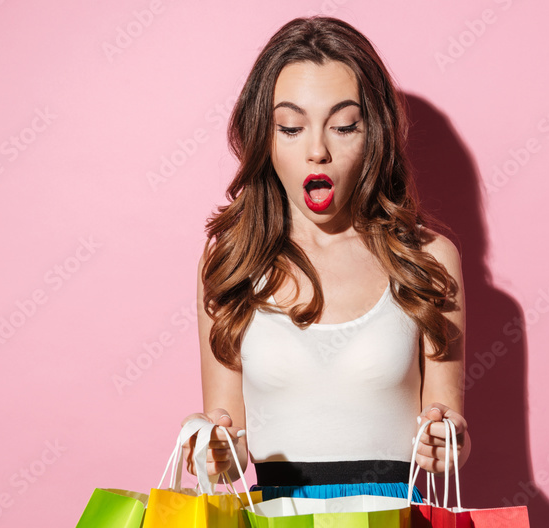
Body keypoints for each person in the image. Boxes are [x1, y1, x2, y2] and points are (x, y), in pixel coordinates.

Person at [181, 16, 471, 502]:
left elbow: (449, 429)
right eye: (291, 128)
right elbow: (228, 445)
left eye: (342, 126)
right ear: (264, 138)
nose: (317, 150)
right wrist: (213, 449)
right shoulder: (232, 262)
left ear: (373, 132)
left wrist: (449, 442)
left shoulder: (430, 260)